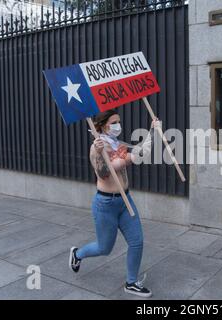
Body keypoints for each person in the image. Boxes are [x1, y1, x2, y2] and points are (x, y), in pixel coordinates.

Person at [68, 109, 160, 298]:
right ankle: (78, 254)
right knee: (104, 248)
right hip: (105, 204)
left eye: (119, 121)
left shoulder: (117, 143)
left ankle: (131, 282)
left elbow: (139, 154)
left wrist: (153, 132)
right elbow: (103, 173)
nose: (118, 126)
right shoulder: (97, 147)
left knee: (137, 242)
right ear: (102, 126)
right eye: (114, 123)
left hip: (125, 200)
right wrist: (102, 154)